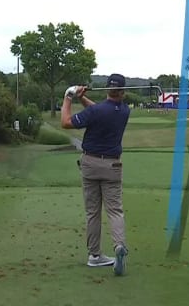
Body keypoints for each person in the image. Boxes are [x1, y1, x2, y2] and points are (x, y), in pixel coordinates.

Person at [60, 74, 130, 276]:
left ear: (107, 89)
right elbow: (98, 111)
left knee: (93, 212)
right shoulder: (124, 111)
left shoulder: (96, 111)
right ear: (123, 92)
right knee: (115, 211)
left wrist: (68, 97)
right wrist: (82, 98)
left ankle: (95, 256)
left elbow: (65, 122)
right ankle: (119, 246)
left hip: (90, 164)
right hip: (113, 165)